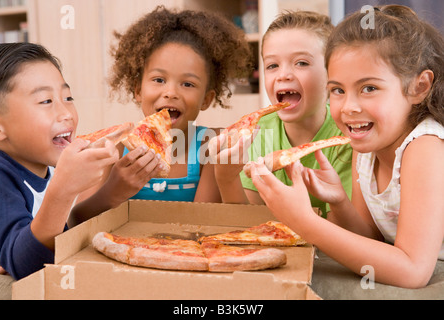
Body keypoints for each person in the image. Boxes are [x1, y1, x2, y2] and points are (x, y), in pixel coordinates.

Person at [248, 5, 444, 288]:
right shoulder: (365, 148)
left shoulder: (425, 148)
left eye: (369, 88)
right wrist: (338, 202)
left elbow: (412, 271)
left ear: (419, 87)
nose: (349, 107)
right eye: (338, 90)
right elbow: (371, 241)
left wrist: (305, 222)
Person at [71, 6, 252, 217]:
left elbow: (200, 225)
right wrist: (113, 191)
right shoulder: (116, 151)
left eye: (188, 84)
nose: (171, 92)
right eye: (159, 80)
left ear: (207, 99)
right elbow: (75, 221)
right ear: (138, 90)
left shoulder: (211, 147)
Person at [0, 43, 119, 281]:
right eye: (45, 101)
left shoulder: (44, 162)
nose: (67, 113)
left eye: (68, 97)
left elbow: (62, 235)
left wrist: (118, 185)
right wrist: (62, 191)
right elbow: (27, 268)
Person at [211, 11, 352, 216]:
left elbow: (344, 234)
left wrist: (296, 214)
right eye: (272, 65)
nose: (283, 75)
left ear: (332, 73)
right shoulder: (255, 134)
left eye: (301, 63)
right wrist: (226, 179)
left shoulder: (346, 139)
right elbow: (245, 224)